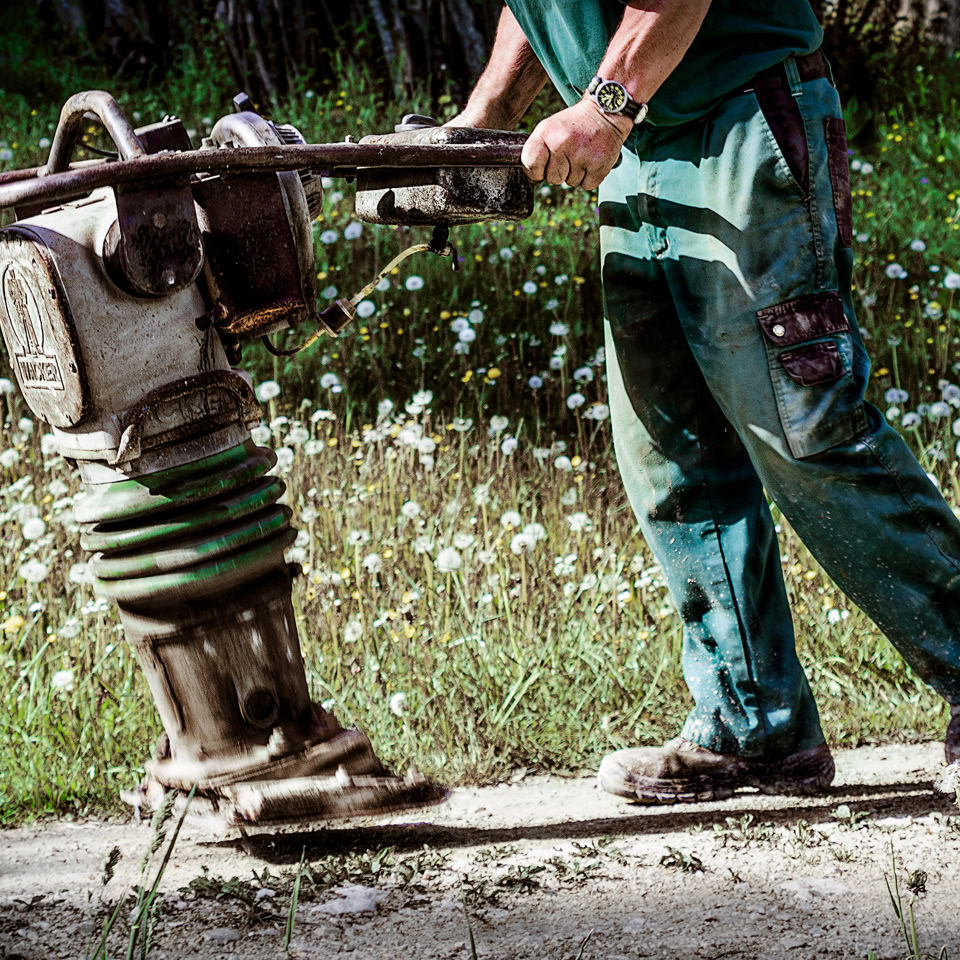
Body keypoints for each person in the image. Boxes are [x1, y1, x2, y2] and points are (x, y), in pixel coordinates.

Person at [449, 0, 960, 803]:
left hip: (741, 113)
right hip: (640, 136)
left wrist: (604, 104)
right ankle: (755, 728)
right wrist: (483, 122)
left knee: (805, 433)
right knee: (670, 454)